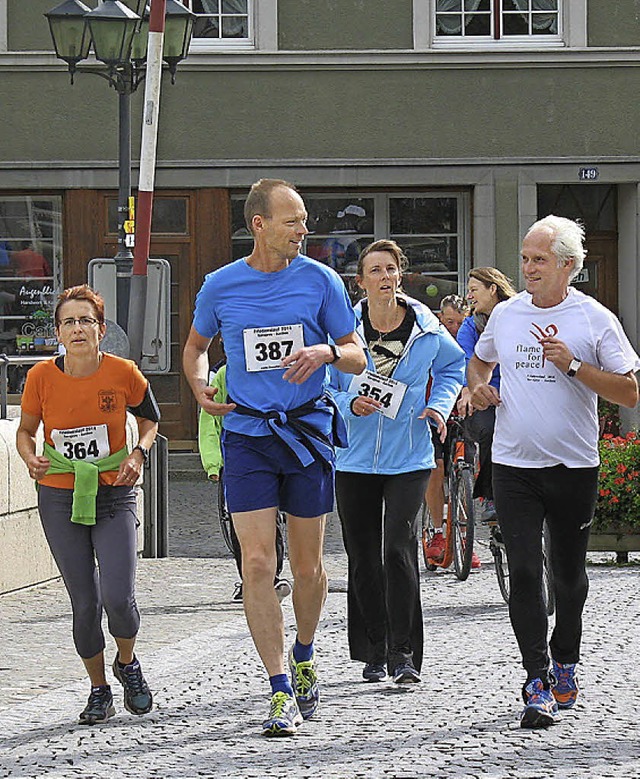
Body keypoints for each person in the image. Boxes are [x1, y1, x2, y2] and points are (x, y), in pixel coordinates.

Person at [182, 178, 366, 737]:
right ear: (259, 225)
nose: (304, 230)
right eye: (293, 221)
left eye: (305, 219)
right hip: (247, 436)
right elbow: (194, 349)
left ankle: (305, 651)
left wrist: (325, 350)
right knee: (258, 563)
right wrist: (198, 388)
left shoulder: (322, 280)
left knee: (308, 568)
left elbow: (356, 356)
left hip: (306, 434)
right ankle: (279, 685)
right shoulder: (221, 285)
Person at [467, 215, 640, 729]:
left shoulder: (594, 318)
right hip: (514, 463)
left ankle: (565, 657)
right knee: (523, 570)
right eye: (524, 258)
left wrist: (572, 367)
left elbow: (629, 391)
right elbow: (480, 362)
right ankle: (536, 678)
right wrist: (478, 386)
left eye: (538, 259)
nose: (527, 268)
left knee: (567, 576)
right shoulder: (509, 314)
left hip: (573, 466)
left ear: (568, 265)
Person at [16, 284, 160, 725]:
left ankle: (127, 664)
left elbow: (150, 418)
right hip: (59, 494)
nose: (77, 329)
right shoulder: (40, 377)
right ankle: (99, 689)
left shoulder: (123, 372)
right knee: (84, 601)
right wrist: (28, 456)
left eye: (85, 320)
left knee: (119, 596)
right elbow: (25, 431)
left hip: (115, 490)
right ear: (58, 332)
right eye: (68, 322)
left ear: (101, 329)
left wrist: (139, 454)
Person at [328, 240, 465, 684]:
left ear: (400, 276)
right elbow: (321, 384)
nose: (384, 278)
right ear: (361, 281)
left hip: (409, 454)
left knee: (398, 548)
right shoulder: (341, 330)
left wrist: (438, 407)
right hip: (353, 456)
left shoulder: (426, 328)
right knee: (363, 555)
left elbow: (452, 367)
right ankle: (373, 648)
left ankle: (404, 652)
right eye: (375, 271)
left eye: (391, 269)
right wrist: (350, 402)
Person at [198, 359, 292, 603]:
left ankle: (272, 576)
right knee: (239, 524)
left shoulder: (276, 368)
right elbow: (209, 421)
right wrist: (213, 461)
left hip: (273, 454)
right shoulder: (224, 375)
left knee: (272, 520)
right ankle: (249, 578)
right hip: (235, 458)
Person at [457, 268, 517, 520]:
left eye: (474, 290)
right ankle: (491, 497)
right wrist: (468, 390)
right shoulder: (470, 326)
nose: (469, 296)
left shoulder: (517, 317)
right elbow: (464, 362)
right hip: (484, 401)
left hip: (515, 397)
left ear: (493, 289)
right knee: (492, 431)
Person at [423, 294, 479, 566]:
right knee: (435, 467)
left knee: (469, 469)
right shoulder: (433, 339)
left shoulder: (470, 342)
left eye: (459, 322)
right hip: (435, 413)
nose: (453, 328)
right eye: (448, 322)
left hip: (463, 413)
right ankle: (436, 532)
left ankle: (466, 538)